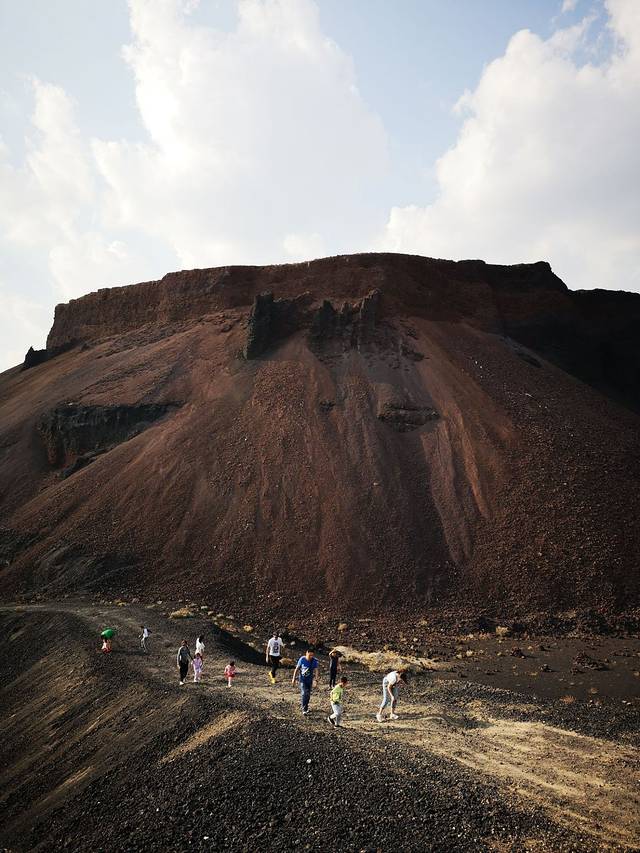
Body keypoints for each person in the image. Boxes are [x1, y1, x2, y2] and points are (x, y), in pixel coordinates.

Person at [292, 650, 319, 715]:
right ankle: (304, 709)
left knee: (308, 695)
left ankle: (305, 707)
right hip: (302, 680)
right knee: (304, 693)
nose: (311, 657)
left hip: (309, 680)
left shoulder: (314, 660)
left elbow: (316, 670)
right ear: (306, 654)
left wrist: (316, 680)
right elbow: (297, 669)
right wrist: (293, 679)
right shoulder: (302, 659)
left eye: (312, 655)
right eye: (309, 655)